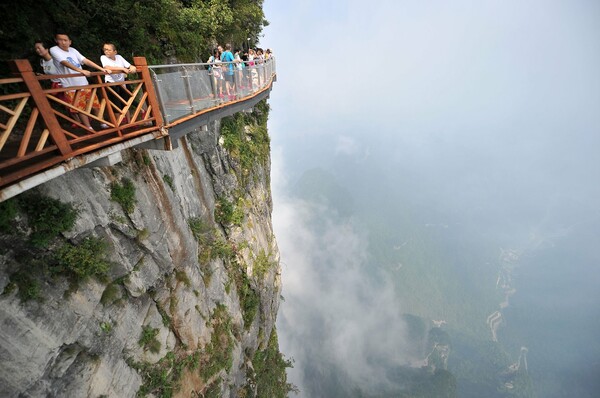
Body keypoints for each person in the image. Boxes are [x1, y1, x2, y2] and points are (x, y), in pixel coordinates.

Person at [50, 32, 111, 131]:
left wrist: (101, 68)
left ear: (70, 42)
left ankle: (103, 123)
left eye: (65, 40)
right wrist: (80, 70)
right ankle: (88, 127)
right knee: (80, 108)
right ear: (56, 41)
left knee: (94, 104)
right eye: (60, 40)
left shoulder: (73, 50)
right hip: (71, 86)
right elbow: (64, 62)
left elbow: (85, 60)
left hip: (83, 83)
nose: (63, 42)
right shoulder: (54, 50)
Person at [100, 43, 137, 124]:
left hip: (122, 84)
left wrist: (132, 68)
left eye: (109, 50)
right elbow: (106, 67)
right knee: (116, 105)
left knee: (125, 103)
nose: (106, 51)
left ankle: (130, 122)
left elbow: (129, 66)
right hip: (111, 84)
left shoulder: (119, 57)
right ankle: (119, 124)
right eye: (105, 49)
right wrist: (122, 68)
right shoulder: (103, 57)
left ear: (115, 52)